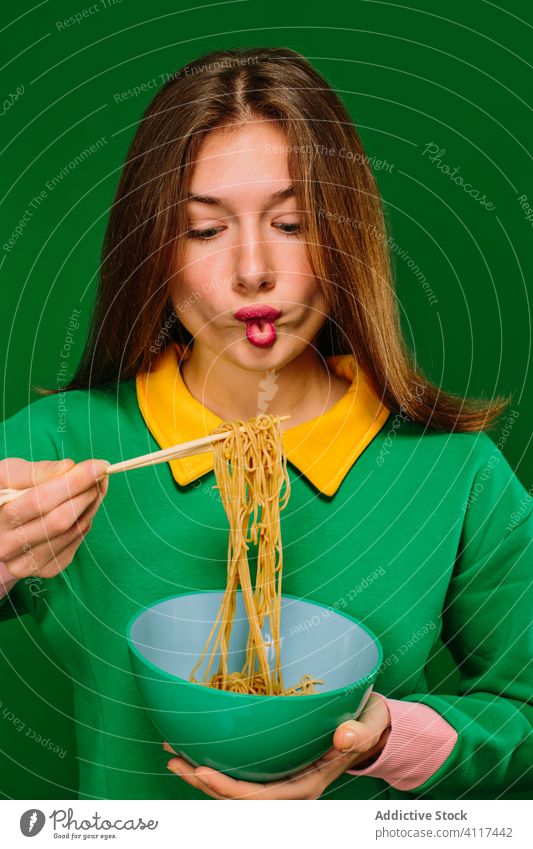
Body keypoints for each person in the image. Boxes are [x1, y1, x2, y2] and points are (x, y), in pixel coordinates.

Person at [0, 47, 531, 801]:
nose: (253, 269)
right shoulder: (54, 447)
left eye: (291, 222)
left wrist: (382, 736)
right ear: (155, 250)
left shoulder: (453, 469)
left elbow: (523, 709)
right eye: (205, 230)